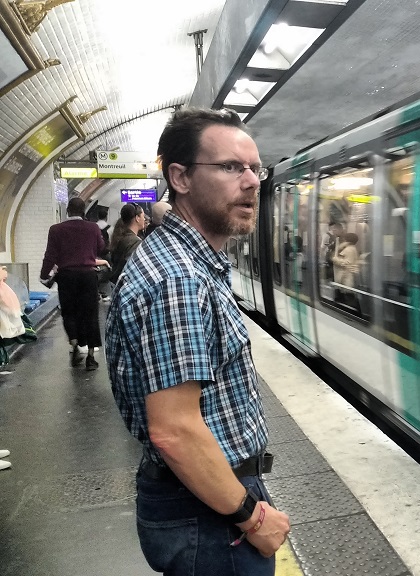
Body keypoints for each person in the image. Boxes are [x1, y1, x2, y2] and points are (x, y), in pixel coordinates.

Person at [105, 108, 290, 575]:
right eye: (230, 167)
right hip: (211, 518)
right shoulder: (179, 279)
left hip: (207, 502)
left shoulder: (187, 264)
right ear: (180, 177)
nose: (251, 182)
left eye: (255, 168)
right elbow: (175, 430)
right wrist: (252, 516)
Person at [40, 197, 107, 370]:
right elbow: (101, 248)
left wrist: (43, 276)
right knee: (90, 314)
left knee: (69, 312)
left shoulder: (56, 230)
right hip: (87, 275)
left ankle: (75, 345)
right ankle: (91, 357)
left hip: (67, 276)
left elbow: (50, 255)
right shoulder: (92, 228)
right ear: (84, 211)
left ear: (68, 210)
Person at [108, 203, 146, 285]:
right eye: (143, 216)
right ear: (137, 218)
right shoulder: (135, 242)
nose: (144, 219)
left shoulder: (119, 237)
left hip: (115, 281)